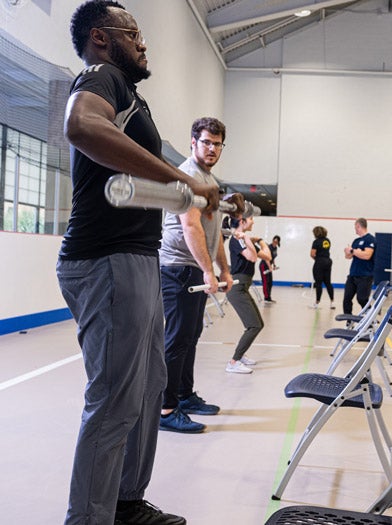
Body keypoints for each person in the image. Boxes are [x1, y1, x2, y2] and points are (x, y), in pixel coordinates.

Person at [57, 2, 219, 523]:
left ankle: (125, 504)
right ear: (102, 38)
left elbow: (136, 181)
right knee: (114, 398)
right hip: (106, 261)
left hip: (137, 259)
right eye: (136, 33)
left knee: (148, 388)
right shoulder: (102, 76)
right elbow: (81, 126)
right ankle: (89, 518)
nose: (144, 43)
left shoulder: (131, 96)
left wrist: (188, 190)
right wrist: (181, 180)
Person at [159, 117, 237, 434]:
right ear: (193, 142)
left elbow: (213, 232)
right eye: (206, 142)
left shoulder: (209, 181)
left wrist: (225, 269)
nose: (212, 148)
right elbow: (190, 227)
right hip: (178, 267)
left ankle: (184, 395)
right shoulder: (187, 176)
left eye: (217, 144)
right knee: (177, 339)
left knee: (190, 337)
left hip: (194, 269)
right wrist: (209, 270)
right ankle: (165, 409)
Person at [225, 215, 271, 373]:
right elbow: (252, 257)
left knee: (258, 324)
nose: (253, 221)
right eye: (251, 218)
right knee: (254, 325)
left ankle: (241, 355)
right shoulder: (238, 239)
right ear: (242, 221)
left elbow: (267, 256)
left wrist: (259, 240)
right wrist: (249, 240)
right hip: (236, 288)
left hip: (243, 287)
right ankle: (233, 361)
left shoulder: (245, 240)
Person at [343, 218, 376, 315]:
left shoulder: (370, 239)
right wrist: (348, 252)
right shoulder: (356, 241)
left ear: (358, 226)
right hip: (353, 274)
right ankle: (348, 320)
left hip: (365, 275)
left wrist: (353, 251)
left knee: (362, 299)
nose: (355, 229)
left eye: (355, 227)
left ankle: (371, 318)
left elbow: (367, 255)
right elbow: (348, 257)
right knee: (347, 299)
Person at [310, 226, 335, 309]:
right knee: (328, 282)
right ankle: (332, 302)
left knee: (318, 283)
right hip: (328, 261)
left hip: (320, 262)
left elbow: (312, 254)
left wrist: (317, 259)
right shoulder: (327, 241)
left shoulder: (316, 242)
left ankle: (317, 303)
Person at [260, 235, 280, 302]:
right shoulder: (269, 247)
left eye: (276, 241)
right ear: (273, 240)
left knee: (270, 282)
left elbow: (273, 257)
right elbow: (266, 258)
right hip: (264, 266)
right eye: (274, 241)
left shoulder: (275, 248)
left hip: (269, 266)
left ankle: (269, 297)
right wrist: (269, 267)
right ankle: (266, 298)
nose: (275, 242)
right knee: (265, 282)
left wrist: (274, 265)